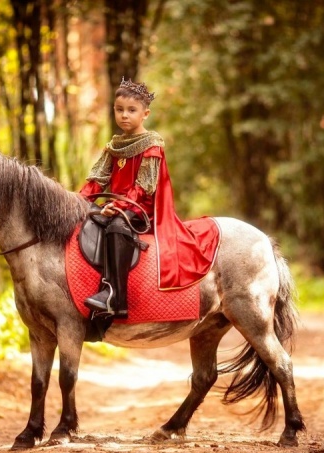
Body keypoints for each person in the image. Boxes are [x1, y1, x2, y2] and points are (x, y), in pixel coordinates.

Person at [79, 77, 219, 319]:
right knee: (85, 220)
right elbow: (96, 180)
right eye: (119, 110)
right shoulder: (114, 145)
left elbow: (144, 187)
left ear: (145, 114)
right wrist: (77, 201)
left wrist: (118, 206)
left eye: (131, 110)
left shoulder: (152, 144)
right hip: (117, 205)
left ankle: (115, 296)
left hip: (140, 209)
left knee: (116, 227)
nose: (124, 115)